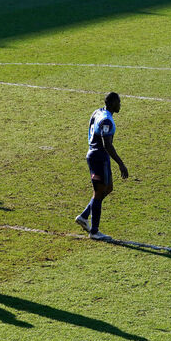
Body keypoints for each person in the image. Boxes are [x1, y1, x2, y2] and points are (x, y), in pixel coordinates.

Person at [75, 92, 129, 241]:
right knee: (99, 192)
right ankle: (94, 231)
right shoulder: (106, 121)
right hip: (98, 157)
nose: (120, 105)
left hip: (99, 155)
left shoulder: (98, 112)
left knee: (108, 188)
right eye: (118, 102)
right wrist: (121, 164)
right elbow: (107, 145)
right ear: (112, 103)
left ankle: (84, 216)